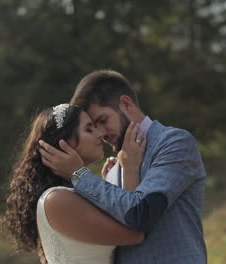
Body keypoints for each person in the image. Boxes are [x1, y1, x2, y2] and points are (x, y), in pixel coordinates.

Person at [39, 70, 207, 263]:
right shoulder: (113, 169)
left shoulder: (173, 142)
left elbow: (142, 213)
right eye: (93, 127)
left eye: (103, 120)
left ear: (126, 104)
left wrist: (78, 174)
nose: (100, 133)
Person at [0, 103, 147, 264]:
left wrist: (105, 184)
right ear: (64, 143)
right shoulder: (56, 199)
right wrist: (131, 167)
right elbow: (134, 233)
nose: (100, 134)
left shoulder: (69, 195)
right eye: (89, 129)